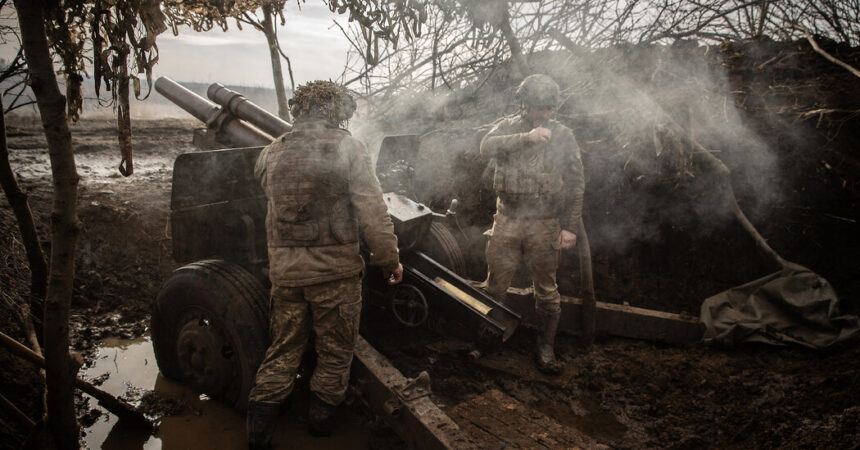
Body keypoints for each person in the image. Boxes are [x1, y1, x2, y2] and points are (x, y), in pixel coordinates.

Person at [247, 80, 403, 449]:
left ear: (299, 110)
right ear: (337, 111)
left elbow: (266, 190)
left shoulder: (271, 152)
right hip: (336, 276)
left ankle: (257, 437)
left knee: (283, 351)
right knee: (335, 354)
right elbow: (372, 210)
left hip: (286, 276)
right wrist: (389, 259)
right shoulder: (348, 147)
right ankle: (319, 429)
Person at [480, 74, 585, 375]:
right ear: (523, 105)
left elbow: (577, 184)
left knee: (547, 290)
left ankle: (545, 347)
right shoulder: (507, 128)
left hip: (545, 223)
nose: (543, 114)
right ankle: (488, 335)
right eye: (537, 107)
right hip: (507, 220)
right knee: (495, 284)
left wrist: (571, 227)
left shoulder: (563, 135)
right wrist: (526, 138)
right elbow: (485, 147)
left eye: (548, 109)